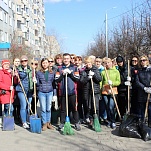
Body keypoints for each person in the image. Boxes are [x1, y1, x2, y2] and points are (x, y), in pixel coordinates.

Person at [55, 53, 81, 131]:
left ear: (70, 59)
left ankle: (76, 122)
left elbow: (77, 79)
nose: (66, 60)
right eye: (65, 58)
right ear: (63, 59)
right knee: (63, 109)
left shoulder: (74, 68)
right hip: (63, 92)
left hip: (72, 91)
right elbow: (56, 80)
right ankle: (62, 123)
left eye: (67, 58)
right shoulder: (59, 68)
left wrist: (70, 74)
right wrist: (62, 74)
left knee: (74, 108)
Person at [80, 56, 102, 128]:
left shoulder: (95, 69)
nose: (87, 64)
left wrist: (94, 75)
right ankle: (91, 120)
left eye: (89, 63)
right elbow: (82, 81)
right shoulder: (83, 72)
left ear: (91, 63)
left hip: (94, 91)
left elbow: (99, 79)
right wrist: (88, 78)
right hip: (87, 91)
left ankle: (96, 120)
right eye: (86, 63)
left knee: (95, 106)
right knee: (88, 107)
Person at [36, 58, 56, 131]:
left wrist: (55, 94)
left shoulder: (52, 72)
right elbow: (38, 84)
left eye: (46, 63)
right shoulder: (39, 73)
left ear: (48, 64)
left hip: (50, 92)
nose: (45, 64)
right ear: (41, 64)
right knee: (43, 109)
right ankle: (44, 123)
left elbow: (54, 84)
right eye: (43, 63)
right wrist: (35, 81)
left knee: (48, 108)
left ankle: (48, 123)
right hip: (42, 92)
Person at [101, 58, 121, 129]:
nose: (107, 64)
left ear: (111, 63)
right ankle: (109, 120)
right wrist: (100, 91)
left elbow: (118, 82)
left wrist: (112, 83)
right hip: (105, 91)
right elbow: (101, 82)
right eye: (105, 63)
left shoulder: (116, 72)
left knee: (111, 106)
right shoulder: (103, 72)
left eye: (108, 62)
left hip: (113, 91)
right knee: (107, 106)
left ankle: (113, 121)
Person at [15, 55, 33, 129]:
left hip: (29, 90)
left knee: (28, 106)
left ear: (27, 61)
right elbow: (19, 78)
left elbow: (32, 78)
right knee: (23, 105)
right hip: (21, 90)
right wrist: (15, 76)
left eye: (25, 60)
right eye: (22, 61)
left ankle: (27, 119)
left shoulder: (31, 69)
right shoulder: (18, 69)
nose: (24, 62)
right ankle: (24, 122)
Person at [135, 55, 151, 127]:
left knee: (150, 110)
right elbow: (137, 81)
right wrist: (144, 88)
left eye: (144, 60)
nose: (142, 62)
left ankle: (150, 125)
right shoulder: (139, 71)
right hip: (141, 93)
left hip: (150, 94)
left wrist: (150, 88)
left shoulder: (150, 70)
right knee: (142, 109)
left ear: (147, 61)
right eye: (141, 60)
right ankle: (143, 125)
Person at [116, 56, 129, 120]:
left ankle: (128, 116)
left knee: (128, 103)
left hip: (127, 88)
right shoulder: (117, 69)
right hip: (120, 88)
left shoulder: (127, 68)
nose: (120, 63)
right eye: (118, 62)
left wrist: (130, 80)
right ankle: (122, 116)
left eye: (121, 62)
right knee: (121, 103)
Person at [13, 58, 21, 124]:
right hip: (13, 88)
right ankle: (14, 117)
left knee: (19, 104)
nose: (17, 62)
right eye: (16, 61)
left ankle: (19, 117)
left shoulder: (20, 69)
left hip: (20, 88)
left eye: (18, 61)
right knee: (14, 104)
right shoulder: (11, 69)